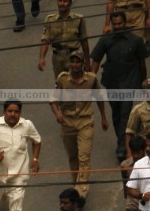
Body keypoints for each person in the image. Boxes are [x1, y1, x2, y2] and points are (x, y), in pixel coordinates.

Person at [51, 49, 108, 202]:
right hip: (67, 122)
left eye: (78, 62)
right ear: (69, 63)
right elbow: (53, 101)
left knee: (84, 156)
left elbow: (99, 98)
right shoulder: (62, 79)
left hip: (85, 121)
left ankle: (81, 191)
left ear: (83, 64)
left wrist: (103, 117)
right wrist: (58, 115)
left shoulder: (91, 79)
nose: (75, 65)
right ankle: (76, 182)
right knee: (73, 157)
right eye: (73, 61)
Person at [91, 9, 149, 158]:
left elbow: (142, 63)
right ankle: (121, 140)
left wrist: (145, 83)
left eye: (120, 23)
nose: (117, 26)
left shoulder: (135, 40)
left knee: (125, 115)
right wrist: (90, 79)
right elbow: (96, 60)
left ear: (125, 23)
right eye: (114, 24)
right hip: (112, 83)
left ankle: (123, 147)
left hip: (129, 83)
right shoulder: (106, 39)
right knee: (116, 114)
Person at [0, 103, 41, 211]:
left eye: (16, 112)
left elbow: (37, 141)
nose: (13, 114)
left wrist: (35, 159)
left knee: (16, 208)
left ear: (20, 113)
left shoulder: (27, 125)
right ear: (4, 112)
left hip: (19, 176)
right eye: (10, 111)